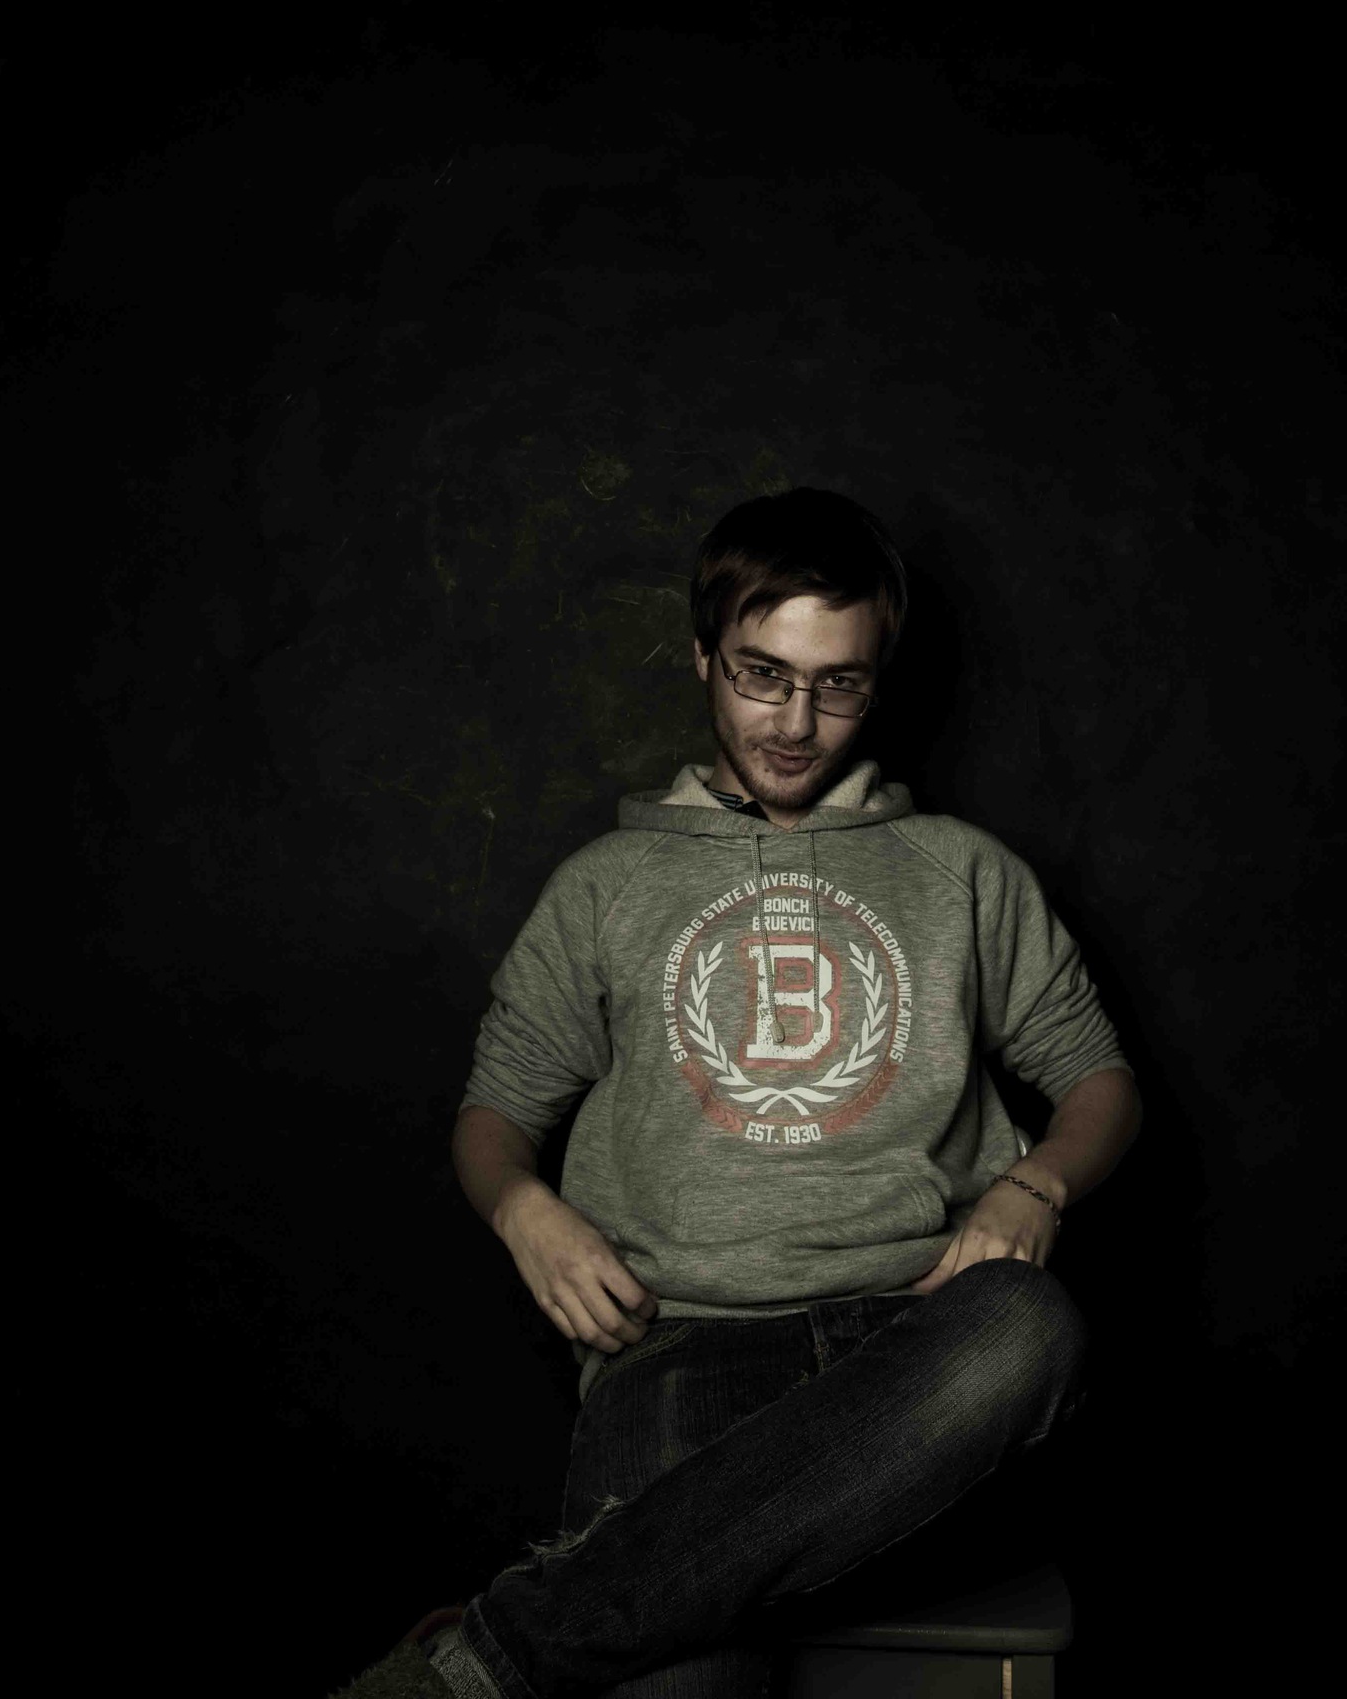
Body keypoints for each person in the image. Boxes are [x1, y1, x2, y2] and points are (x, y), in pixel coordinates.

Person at [333, 487, 1143, 1699]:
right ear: (704, 653)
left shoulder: (964, 871)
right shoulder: (605, 883)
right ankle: (592, 1615)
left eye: (839, 684)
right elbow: (493, 1114)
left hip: (918, 1347)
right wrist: (523, 1209)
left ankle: (481, 1660)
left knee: (1028, 1322)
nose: (797, 723)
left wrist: (1035, 1185)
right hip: (677, 1346)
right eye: (764, 674)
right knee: (684, 1682)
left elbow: (1102, 1082)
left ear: (880, 680)